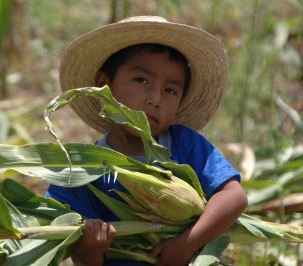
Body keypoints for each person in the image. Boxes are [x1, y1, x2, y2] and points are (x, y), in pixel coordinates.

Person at [45, 16, 248, 266]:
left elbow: (234, 196)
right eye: (142, 80)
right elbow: (77, 252)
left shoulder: (184, 145)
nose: (155, 98)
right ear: (103, 87)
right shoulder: (83, 170)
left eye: (170, 90)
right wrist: (90, 247)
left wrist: (187, 244)